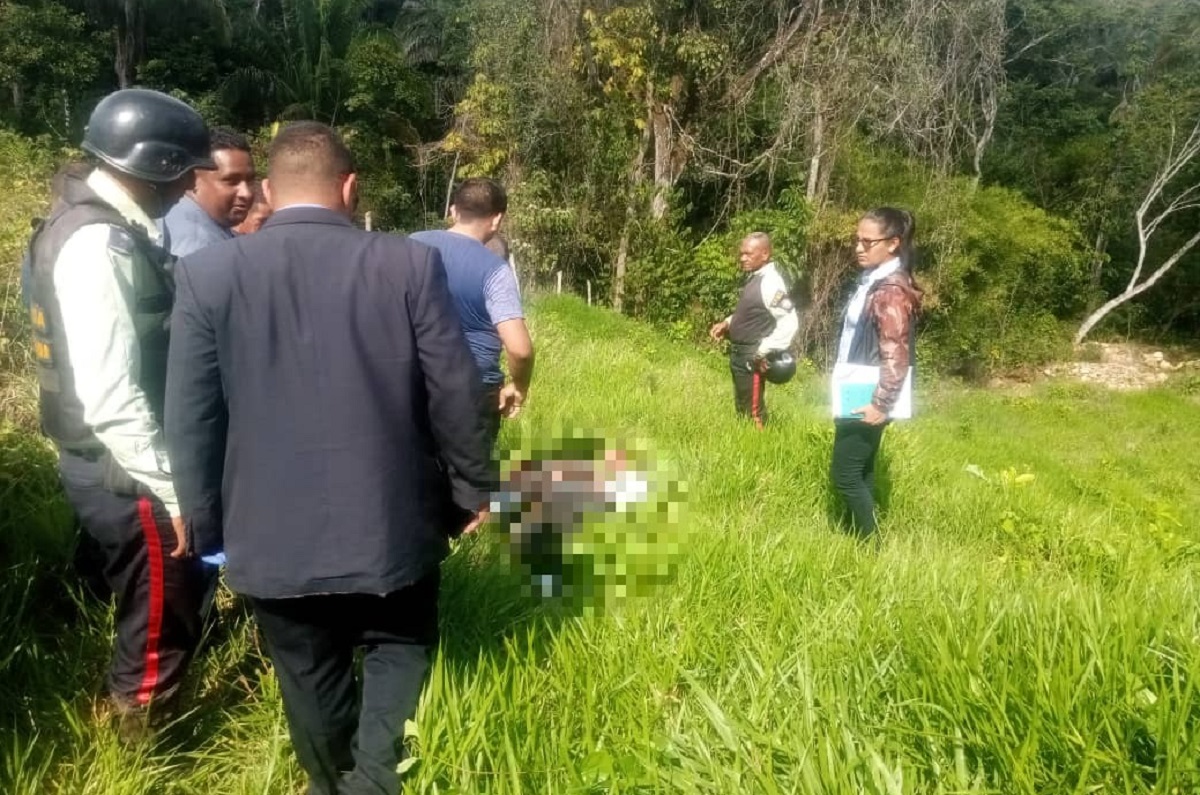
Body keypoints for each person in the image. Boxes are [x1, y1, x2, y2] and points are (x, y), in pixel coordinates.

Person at [165, 121, 494, 795]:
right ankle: (375, 776)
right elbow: (454, 390)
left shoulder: (207, 274)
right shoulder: (406, 264)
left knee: (308, 668)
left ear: (267, 189)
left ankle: (333, 779)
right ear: (349, 187)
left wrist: (204, 523)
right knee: (398, 645)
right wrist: (471, 489)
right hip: (392, 521)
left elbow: (191, 414)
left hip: (270, 529)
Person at [23, 88, 216, 737]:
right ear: (153, 164)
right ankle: (146, 745)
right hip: (125, 471)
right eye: (183, 170)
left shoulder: (89, 221)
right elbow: (110, 390)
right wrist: (172, 490)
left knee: (143, 603)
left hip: (101, 459)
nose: (188, 186)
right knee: (161, 615)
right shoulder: (98, 242)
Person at [411, 178, 534, 453]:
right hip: (472, 392)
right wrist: (519, 387)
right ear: (497, 220)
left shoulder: (412, 245)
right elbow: (520, 350)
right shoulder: (495, 269)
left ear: (453, 211)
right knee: (470, 475)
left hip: (414, 382)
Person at [831, 207, 923, 539]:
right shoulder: (876, 281)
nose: (859, 248)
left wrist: (881, 403)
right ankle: (860, 540)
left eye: (868, 242)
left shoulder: (890, 290)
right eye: (857, 240)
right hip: (859, 386)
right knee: (862, 468)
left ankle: (870, 545)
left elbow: (896, 352)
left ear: (893, 243)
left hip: (868, 393)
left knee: (845, 474)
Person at [708, 232, 799, 427]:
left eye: (748, 254)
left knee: (753, 412)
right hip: (740, 354)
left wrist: (762, 350)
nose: (742, 258)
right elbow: (751, 312)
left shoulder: (771, 282)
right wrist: (727, 323)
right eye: (741, 254)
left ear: (765, 254)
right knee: (743, 407)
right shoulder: (756, 278)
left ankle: (760, 444)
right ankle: (744, 439)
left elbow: (789, 321)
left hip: (752, 355)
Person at [162, 127, 255, 257]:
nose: (246, 193)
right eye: (231, 181)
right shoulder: (200, 245)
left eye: (249, 180)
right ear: (192, 181)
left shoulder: (174, 215)